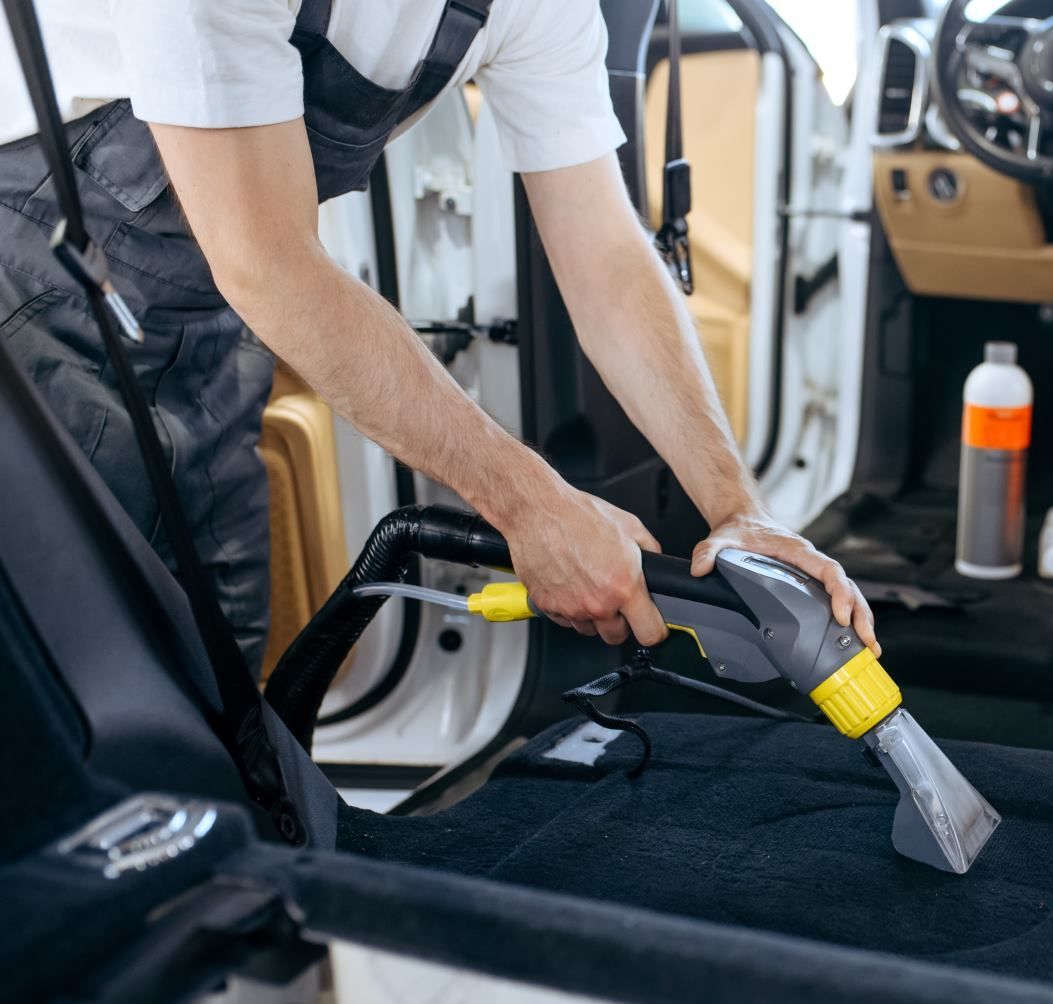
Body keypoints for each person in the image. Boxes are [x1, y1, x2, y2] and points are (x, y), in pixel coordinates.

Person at [0, 0, 876, 673]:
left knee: (218, 650)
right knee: (89, 659)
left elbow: (606, 255)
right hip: (36, 272)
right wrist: (532, 505)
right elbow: (270, 261)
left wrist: (739, 506)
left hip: (208, 312)